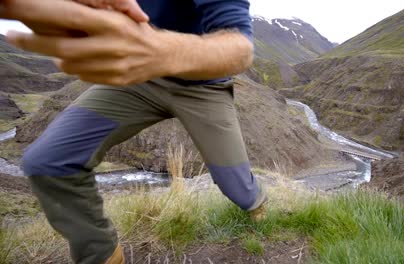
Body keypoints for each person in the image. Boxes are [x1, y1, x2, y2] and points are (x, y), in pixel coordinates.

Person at [1, 0, 267, 263]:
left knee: (238, 188)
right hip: (142, 79)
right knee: (48, 161)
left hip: (204, 87)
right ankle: (102, 256)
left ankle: (260, 211)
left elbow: (240, 48)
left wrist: (163, 51)